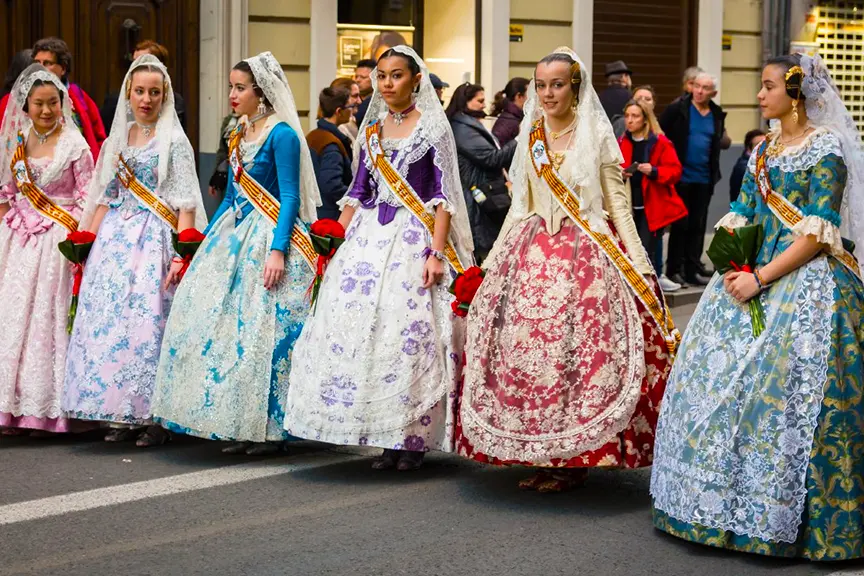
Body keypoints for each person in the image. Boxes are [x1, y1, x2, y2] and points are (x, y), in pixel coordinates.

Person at [651, 53, 864, 561]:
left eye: (768, 86)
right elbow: (745, 207)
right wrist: (730, 255)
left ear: (796, 94)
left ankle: (790, 514)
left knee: (787, 391)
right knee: (723, 386)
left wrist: (761, 277)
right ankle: (718, 503)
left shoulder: (826, 148)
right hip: (749, 272)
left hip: (801, 279)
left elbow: (817, 232)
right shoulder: (764, 149)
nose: (759, 95)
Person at [457, 47, 677, 493]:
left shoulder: (596, 134)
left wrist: (640, 266)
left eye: (557, 83)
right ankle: (540, 452)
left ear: (575, 86)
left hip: (586, 256)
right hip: (532, 252)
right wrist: (488, 266)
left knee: (576, 360)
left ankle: (572, 461)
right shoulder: (530, 135)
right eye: (540, 85)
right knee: (528, 357)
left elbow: (618, 206)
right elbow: (520, 207)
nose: (548, 92)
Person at [283, 46, 474, 472]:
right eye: (381, 76)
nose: (387, 84)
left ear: (416, 80)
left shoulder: (432, 131)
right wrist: (333, 240)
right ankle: (382, 435)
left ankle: (413, 438)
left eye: (396, 76)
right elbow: (358, 191)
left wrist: (436, 253)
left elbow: (443, 199)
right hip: (368, 238)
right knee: (362, 329)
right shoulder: (371, 130)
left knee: (407, 334)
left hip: (413, 238)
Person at [152, 52, 320, 456]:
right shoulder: (238, 132)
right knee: (225, 332)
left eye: (239, 87)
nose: (231, 94)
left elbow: (290, 196)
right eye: (231, 86)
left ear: (261, 93)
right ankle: (231, 418)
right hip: (234, 234)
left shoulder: (282, 135)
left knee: (264, 336)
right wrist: (204, 244)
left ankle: (269, 430)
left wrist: (278, 251)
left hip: (269, 236)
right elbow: (230, 196)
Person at [61, 55, 206, 447]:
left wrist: (182, 253)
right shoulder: (116, 139)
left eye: (154, 93)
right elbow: (105, 196)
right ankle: (121, 410)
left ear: (164, 96)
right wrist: (84, 242)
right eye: (140, 91)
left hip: (155, 236)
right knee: (113, 324)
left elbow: (186, 202)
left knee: (149, 323)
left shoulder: (174, 141)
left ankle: (154, 417)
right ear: (129, 92)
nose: (146, 99)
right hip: (114, 239)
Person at [0, 65, 94, 435]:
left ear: (62, 103)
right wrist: (10, 217)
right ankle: (10, 405)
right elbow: (8, 190)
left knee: (47, 321)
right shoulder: (19, 140)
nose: (45, 111)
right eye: (38, 104)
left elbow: (88, 193)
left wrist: (76, 235)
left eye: (52, 103)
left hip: (57, 237)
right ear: (26, 106)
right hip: (18, 238)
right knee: (12, 318)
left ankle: (48, 409)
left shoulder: (75, 144)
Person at [660, 71, 727, 287]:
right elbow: (661, 135)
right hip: (681, 177)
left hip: (705, 177)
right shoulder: (678, 109)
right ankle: (674, 269)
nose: (699, 91)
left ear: (713, 93)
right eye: (697, 86)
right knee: (681, 225)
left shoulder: (716, 113)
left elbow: (719, 141)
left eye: (705, 88)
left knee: (698, 225)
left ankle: (693, 267)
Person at [618, 99, 686, 288]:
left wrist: (654, 171)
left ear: (645, 119)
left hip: (652, 205)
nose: (629, 121)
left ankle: (648, 290)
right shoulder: (622, 141)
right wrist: (621, 173)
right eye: (627, 116)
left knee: (645, 251)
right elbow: (612, 168)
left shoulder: (660, 142)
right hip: (628, 204)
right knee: (628, 247)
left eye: (635, 116)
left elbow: (675, 171)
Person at [447, 82, 516, 262]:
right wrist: (519, 140)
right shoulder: (462, 128)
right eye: (480, 101)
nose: (484, 105)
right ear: (466, 102)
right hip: (477, 199)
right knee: (482, 257)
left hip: (481, 196)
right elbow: (492, 158)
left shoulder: (467, 124)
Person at [27, 37, 105, 159]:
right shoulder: (26, 97)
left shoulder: (79, 96)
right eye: (37, 63)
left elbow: (99, 136)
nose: (40, 68)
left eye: (48, 63)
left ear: (63, 68)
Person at [100, 40, 187, 134]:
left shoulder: (175, 101)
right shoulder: (114, 101)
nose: (136, 67)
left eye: (142, 62)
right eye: (134, 62)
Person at [307, 87, 353, 220]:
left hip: (315, 211)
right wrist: (355, 198)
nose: (353, 110)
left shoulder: (313, 135)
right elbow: (331, 186)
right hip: (330, 216)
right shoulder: (331, 144)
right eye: (350, 106)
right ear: (339, 111)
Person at [729, 128, 765, 205]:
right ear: (749, 149)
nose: (764, 147)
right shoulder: (744, 168)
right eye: (758, 145)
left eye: (765, 144)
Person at [491, 77, 529, 146]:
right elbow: (500, 154)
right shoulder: (508, 123)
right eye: (529, 94)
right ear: (519, 96)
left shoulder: (516, 118)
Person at [330, 77, 362, 143]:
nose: (360, 101)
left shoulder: (350, 122)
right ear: (340, 98)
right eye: (355, 96)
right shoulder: (340, 128)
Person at [352, 58, 377, 126]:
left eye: (363, 77)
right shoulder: (350, 101)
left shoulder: (380, 103)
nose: (357, 80)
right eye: (356, 76)